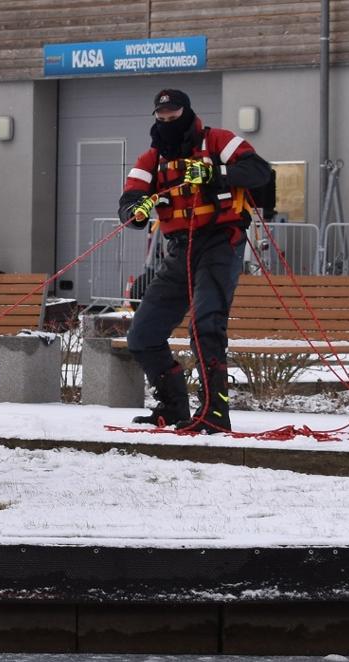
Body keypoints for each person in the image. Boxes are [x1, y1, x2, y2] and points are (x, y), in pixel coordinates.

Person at [118, 88, 272, 434]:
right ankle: (172, 407)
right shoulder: (151, 160)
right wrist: (136, 211)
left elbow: (260, 171)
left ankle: (214, 412)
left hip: (221, 242)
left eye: (175, 115)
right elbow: (129, 201)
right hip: (179, 249)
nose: (169, 121)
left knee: (205, 325)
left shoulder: (218, 140)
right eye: (163, 117)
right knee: (142, 334)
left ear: (187, 112)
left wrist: (216, 173)